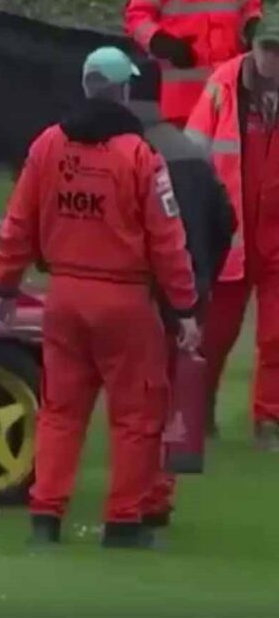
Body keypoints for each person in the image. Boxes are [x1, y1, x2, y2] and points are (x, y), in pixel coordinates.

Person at [0, 47, 201, 549]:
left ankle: (46, 515)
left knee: (60, 411)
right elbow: (168, 240)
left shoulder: (47, 145)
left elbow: (17, 222)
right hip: (124, 301)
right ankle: (123, 521)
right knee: (135, 415)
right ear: (125, 90)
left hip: (62, 294)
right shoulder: (140, 157)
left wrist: (4, 284)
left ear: (84, 86)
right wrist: (185, 307)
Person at [127, 79, 236, 525]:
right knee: (172, 396)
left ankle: (129, 499)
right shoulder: (190, 152)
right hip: (192, 287)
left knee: (135, 397)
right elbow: (224, 220)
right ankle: (157, 496)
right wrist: (206, 273)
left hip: (139, 289)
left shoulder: (126, 151)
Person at [185, 15, 279, 451]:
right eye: (268, 48)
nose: (273, 58)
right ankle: (198, 411)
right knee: (216, 332)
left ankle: (270, 421)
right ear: (253, 46)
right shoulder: (223, 86)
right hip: (232, 234)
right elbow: (193, 155)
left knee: (277, 336)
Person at [124, 0, 263, 127]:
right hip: (183, 103)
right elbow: (137, 17)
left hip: (229, 96)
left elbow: (251, 10)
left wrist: (254, 29)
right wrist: (163, 43)